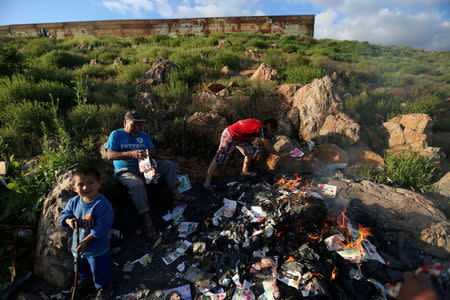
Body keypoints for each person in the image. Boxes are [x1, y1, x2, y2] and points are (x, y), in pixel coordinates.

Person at [105, 110, 194, 238]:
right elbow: (110, 155)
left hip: (145, 168)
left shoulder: (144, 136)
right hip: (125, 171)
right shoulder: (116, 135)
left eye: (140, 125)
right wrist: (131, 154)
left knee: (168, 165)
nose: (137, 128)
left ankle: (177, 195)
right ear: (125, 123)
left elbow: (152, 152)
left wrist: (151, 163)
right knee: (137, 184)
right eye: (134, 125)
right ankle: (147, 219)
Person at [60, 167, 114, 300]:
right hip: (78, 248)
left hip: (97, 249)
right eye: (80, 184)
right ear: (74, 188)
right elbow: (64, 214)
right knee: (81, 268)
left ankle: (103, 288)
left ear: (99, 184)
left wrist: (86, 241)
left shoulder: (102, 205)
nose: (85, 187)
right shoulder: (74, 202)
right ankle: (85, 281)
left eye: (90, 183)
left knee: (99, 270)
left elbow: (102, 227)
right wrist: (68, 221)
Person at [203, 118, 289, 190]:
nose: (271, 133)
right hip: (230, 134)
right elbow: (268, 147)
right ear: (269, 125)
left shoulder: (261, 125)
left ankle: (244, 171)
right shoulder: (261, 128)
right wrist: (280, 154)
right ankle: (207, 182)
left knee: (251, 150)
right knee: (219, 157)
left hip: (241, 138)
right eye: (272, 130)